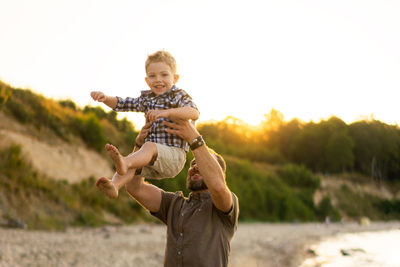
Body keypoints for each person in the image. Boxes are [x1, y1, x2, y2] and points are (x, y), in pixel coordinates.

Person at [116, 118, 239, 267]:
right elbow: (134, 188)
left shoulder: (224, 206)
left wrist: (193, 138)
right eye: (192, 164)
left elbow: (218, 187)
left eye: (201, 164)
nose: (195, 166)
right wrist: (139, 145)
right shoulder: (174, 205)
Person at [90, 50, 199, 198]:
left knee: (144, 150)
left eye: (164, 75)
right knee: (135, 161)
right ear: (147, 80)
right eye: (152, 76)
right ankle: (115, 185)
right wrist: (105, 98)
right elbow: (123, 103)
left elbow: (194, 112)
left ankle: (125, 161)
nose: (158, 79)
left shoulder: (178, 96)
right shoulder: (147, 99)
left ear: (175, 78)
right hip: (152, 159)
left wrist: (168, 112)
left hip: (174, 156)